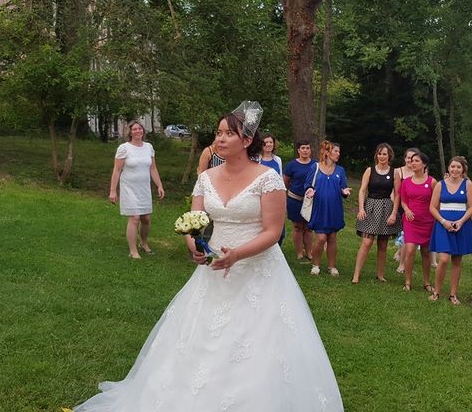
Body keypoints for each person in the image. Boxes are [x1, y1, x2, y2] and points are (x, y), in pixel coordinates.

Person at [76, 101, 344, 412]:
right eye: (218, 133)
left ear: (246, 141)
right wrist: (194, 246)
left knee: (258, 340)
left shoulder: (268, 178)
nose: (220, 139)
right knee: (199, 338)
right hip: (214, 268)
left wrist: (238, 255)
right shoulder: (206, 178)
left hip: (257, 270)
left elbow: (272, 233)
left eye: (228, 134)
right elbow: (196, 219)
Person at [108, 120, 164, 259]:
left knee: (146, 218)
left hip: (143, 188)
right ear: (130, 132)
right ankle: (133, 251)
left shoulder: (148, 147)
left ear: (143, 131)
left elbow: (153, 168)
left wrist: (159, 185)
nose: (138, 131)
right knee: (134, 218)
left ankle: (143, 243)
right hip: (129, 188)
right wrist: (113, 191)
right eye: (134, 129)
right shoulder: (124, 148)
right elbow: (117, 170)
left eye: (140, 129)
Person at [429, 156, 472, 304]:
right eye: (452, 167)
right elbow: (432, 207)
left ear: (463, 170)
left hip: (461, 225)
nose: (455, 169)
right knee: (443, 259)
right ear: (448, 168)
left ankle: (452, 294)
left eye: (458, 167)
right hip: (443, 225)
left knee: (457, 260)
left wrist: (461, 222)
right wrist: (443, 221)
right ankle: (436, 291)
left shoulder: (468, 184)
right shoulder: (440, 184)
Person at [352, 143, 401, 283]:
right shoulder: (369, 170)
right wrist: (361, 208)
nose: (382, 156)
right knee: (367, 242)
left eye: (384, 154)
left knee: (383, 244)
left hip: (387, 208)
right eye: (379, 154)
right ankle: (356, 274)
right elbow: (362, 190)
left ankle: (380, 274)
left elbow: (397, 195)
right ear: (376, 155)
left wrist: (394, 213)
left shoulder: (394, 173)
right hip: (371, 207)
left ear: (389, 155)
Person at [306, 141, 351, 276]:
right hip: (320, 208)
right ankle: (315, 265)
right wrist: (309, 190)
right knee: (320, 238)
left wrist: (345, 192)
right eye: (335, 151)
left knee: (332, 237)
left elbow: (343, 187)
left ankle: (331, 267)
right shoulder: (315, 167)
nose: (338, 154)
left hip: (334, 208)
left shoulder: (340, 170)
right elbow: (308, 184)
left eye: (338, 151)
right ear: (327, 152)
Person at [398, 152, 437, 292]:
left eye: (416, 161)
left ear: (424, 164)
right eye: (412, 160)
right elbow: (403, 200)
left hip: (427, 222)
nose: (413, 163)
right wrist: (406, 209)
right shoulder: (406, 182)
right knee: (409, 250)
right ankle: (407, 282)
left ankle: (426, 282)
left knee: (426, 252)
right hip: (410, 221)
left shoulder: (432, 182)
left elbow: (436, 202)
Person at [283, 140, 316, 261]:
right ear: (298, 150)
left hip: (310, 201)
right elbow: (285, 182)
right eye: (303, 148)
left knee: (308, 227)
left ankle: (309, 252)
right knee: (297, 226)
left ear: (310, 150)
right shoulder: (292, 165)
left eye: (307, 148)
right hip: (295, 199)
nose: (305, 150)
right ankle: (299, 253)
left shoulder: (315, 165)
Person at [259, 133, 285, 244]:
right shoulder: (256, 159)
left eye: (271, 142)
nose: (269, 144)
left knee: (280, 229)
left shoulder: (277, 160)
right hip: (261, 197)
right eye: (266, 142)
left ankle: (277, 248)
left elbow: (280, 179)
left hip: (276, 197)